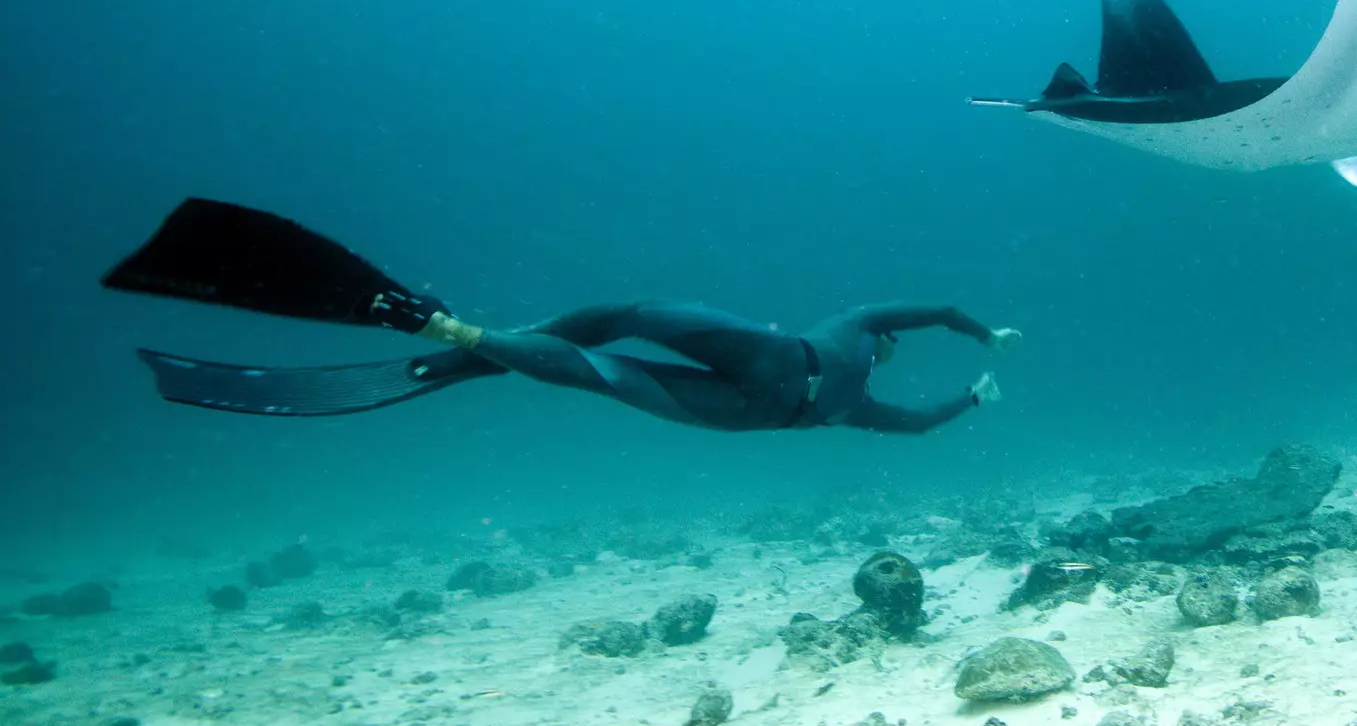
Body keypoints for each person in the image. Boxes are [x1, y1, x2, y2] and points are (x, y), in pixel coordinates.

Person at [103, 198, 1018, 434]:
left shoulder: (861, 390)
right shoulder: (856, 327)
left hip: (758, 404)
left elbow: (916, 424)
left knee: (603, 364)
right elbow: (929, 307)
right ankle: (476, 338)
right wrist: (979, 338)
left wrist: (974, 396)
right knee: (630, 316)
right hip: (770, 385)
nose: (893, 342)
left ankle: (452, 332)